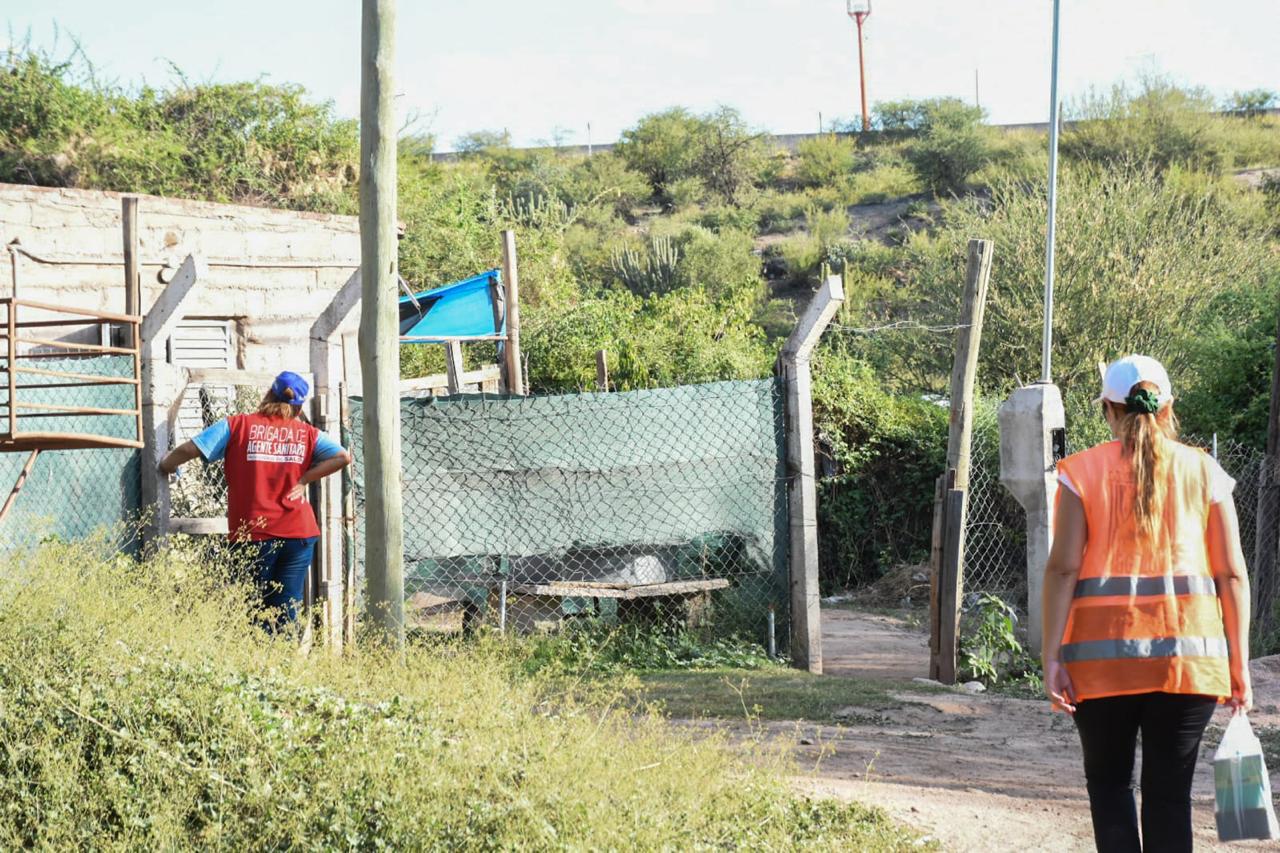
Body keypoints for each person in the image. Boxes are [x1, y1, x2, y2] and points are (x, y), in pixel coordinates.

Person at [1042, 355, 1253, 853]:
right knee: (1169, 798)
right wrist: (1238, 664)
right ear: (1169, 408)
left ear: (1108, 411)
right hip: (1188, 664)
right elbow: (1232, 573)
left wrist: (1052, 657)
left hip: (1100, 664)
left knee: (1112, 788)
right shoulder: (1206, 472)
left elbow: (1064, 569)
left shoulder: (1080, 473)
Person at [159, 371, 353, 632]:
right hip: (299, 533)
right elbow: (342, 457)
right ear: (298, 407)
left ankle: (261, 663)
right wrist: (304, 479)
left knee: (253, 607)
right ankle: (282, 663)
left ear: (268, 395)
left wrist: (166, 465)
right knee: (285, 607)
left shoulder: (237, 425)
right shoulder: (308, 434)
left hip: (253, 533)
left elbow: (189, 449)